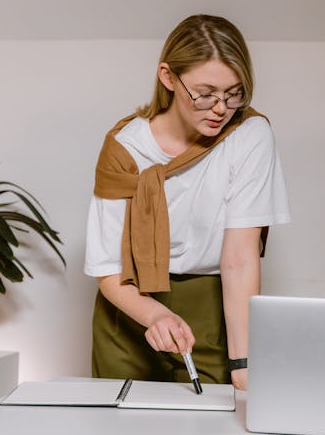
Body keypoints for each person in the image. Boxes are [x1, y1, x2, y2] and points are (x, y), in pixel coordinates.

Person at [84, 14, 291, 390]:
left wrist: (244, 364)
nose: (220, 108)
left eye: (233, 93)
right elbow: (109, 268)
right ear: (168, 77)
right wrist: (154, 313)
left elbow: (240, 258)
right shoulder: (124, 148)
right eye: (205, 92)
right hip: (130, 309)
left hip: (213, 308)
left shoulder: (249, 136)